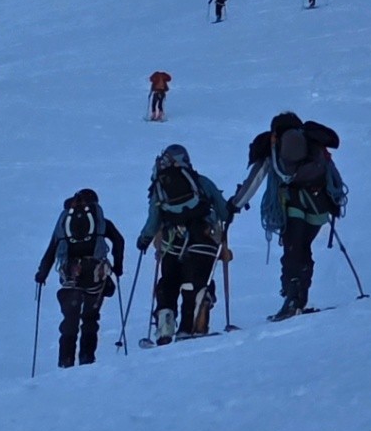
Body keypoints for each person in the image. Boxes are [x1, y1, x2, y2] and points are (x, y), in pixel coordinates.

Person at [229, 112, 346, 321]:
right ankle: (299, 299)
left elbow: (253, 181)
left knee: (293, 250)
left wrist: (234, 205)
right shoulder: (314, 142)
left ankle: (293, 300)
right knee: (303, 249)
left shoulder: (273, 149)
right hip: (319, 206)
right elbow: (332, 173)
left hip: (293, 205)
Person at [136, 145, 232, 345]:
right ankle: (192, 325)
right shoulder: (201, 182)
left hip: (172, 243)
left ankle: (165, 327)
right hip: (204, 242)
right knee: (196, 284)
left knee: (168, 283)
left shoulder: (160, 187)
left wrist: (145, 239)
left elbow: (153, 220)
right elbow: (224, 212)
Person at [35, 190, 126, 367]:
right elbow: (119, 241)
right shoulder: (100, 223)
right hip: (95, 275)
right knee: (90, 319)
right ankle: (87, 359)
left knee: (70, 320)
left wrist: (42, 273)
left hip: (70, 275)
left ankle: (65, 361)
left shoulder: (64, 224)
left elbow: (52, 249)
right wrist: (118, 267)